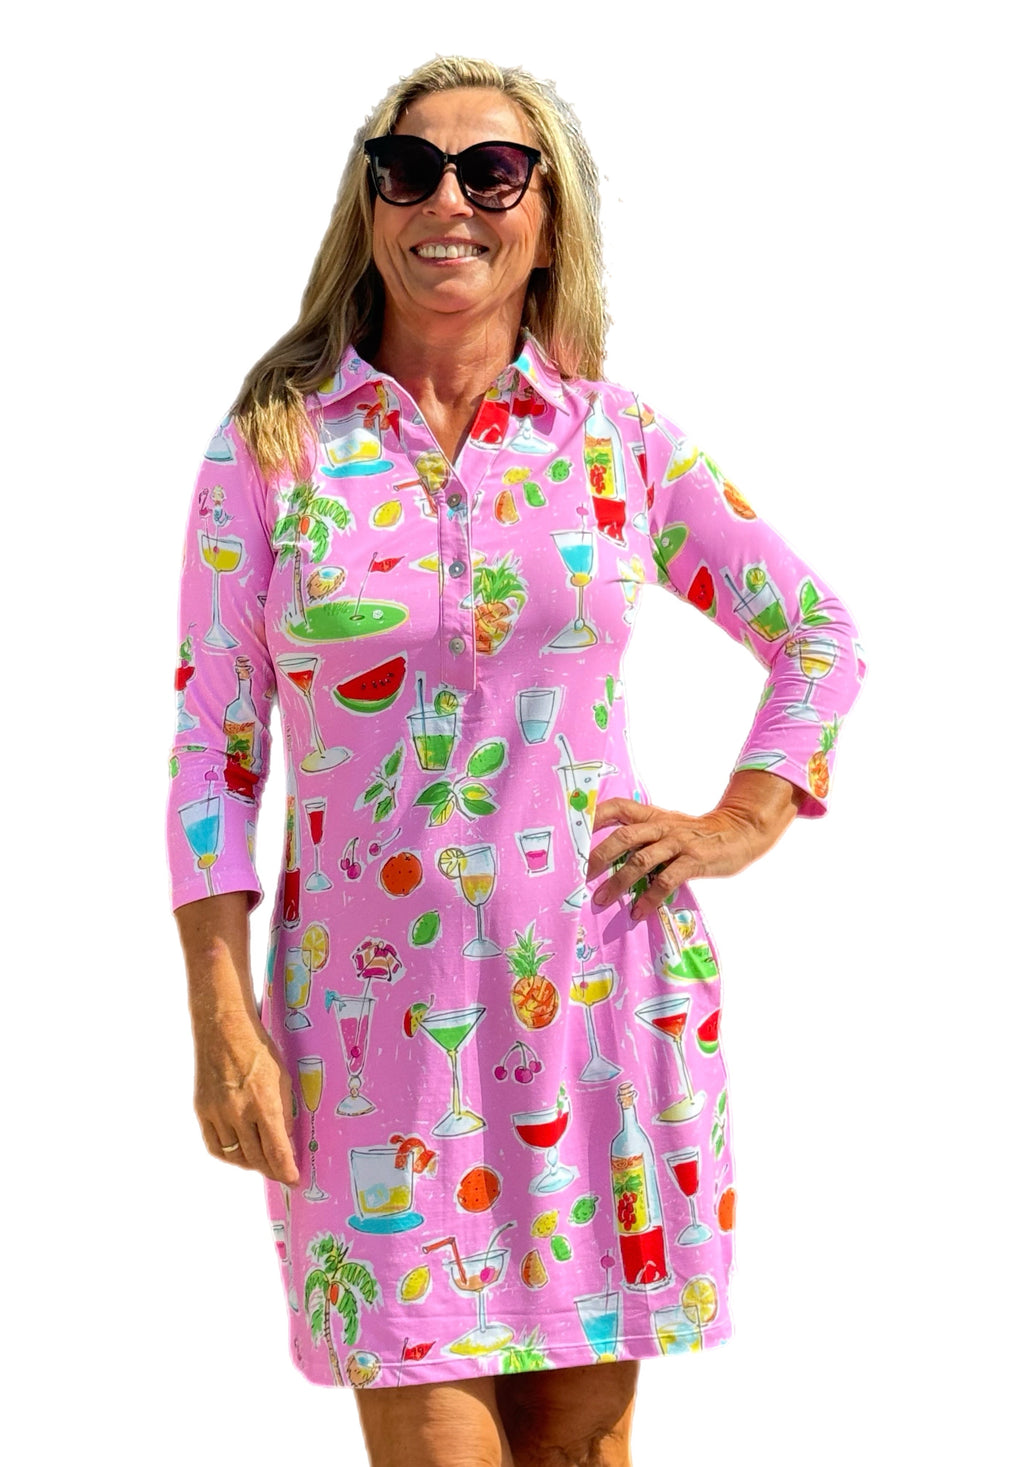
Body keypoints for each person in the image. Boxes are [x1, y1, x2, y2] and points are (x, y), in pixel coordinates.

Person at [166, 54, 867, 1467]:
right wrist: (221, 1020)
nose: (449, 201)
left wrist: (743, 818)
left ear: (547, 219)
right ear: (369, 204)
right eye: (409, 168)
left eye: (492, 173)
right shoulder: (275, 450)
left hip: (597, 1014)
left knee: (581, 1456)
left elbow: (816, 633)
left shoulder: (615, 444)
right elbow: (214, 751)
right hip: (369, 1041)